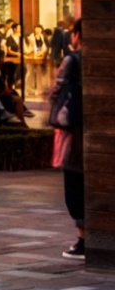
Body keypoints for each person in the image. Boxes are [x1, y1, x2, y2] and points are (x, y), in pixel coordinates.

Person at [50, 19, 84, 260]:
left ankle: (83, 238)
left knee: (74, 180)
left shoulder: (73, 59)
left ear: (78, 34)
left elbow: (57, 89)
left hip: (75, 129)